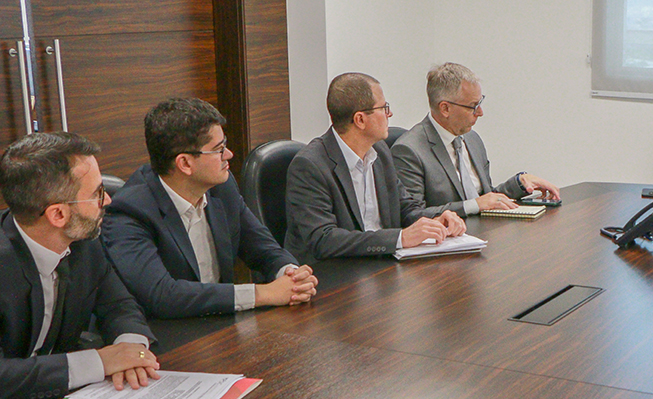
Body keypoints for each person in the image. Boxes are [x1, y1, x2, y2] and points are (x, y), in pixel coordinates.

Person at [0, 132, 160, 399]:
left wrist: (132, 352)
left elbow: (118, 305)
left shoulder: (81, 239)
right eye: (97, 193)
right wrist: (101, 361)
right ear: (58, 214)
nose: (107, 201)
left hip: (46, 397)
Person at [102, 98, 318, 319]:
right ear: (185, 163)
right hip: (168, 336)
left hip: (221, 323)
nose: (229, 155)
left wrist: (291, 275)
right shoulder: (129, 212)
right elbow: (163, 295)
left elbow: (263, 248)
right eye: (218, 149)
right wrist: (263, 293)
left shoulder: (221, 187)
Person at [284, 73, 467, 262]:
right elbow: (323, 240)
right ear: (360, 120)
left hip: (381, 263)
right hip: (333, 273)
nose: (390, 114)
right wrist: (399, 238)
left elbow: (405, 207)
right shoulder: (309, 166)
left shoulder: (379, 151)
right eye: (383, 108)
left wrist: (435, 221)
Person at [392, 63, 560, 217]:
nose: (480, 112)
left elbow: (485, 198)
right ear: (445, 108)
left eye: (480, 103)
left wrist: (520, 183)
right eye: (473, 106)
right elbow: (413, 215)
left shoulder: (471, 138)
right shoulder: (409, 150)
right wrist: (473, 205)